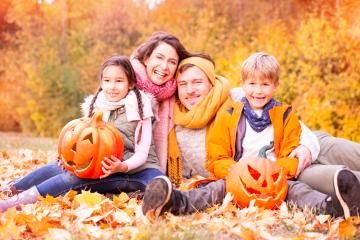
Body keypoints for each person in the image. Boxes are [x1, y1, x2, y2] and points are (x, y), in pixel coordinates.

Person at [141, 52, 360, 219]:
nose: (258, 91)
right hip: (238, 177)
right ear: (244, 84)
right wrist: (239, 172)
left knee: (299, 190)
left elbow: (294, 149)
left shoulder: (278, 113)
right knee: (215, 190)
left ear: (275, 86)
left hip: (279, 176)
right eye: (252, 84)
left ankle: (333, 207)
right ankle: (174, 201)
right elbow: (216, 158)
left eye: (265, 85)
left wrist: (276, 171)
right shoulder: (227, 116)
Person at [0, 56, 163, 212]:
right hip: (105, 168)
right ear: (101, 82)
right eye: (107, 81)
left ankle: (14, 203)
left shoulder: (141, 108)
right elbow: (86, 142)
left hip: (140, 169)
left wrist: (121, 166)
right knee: (57, 167)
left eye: (119, 81)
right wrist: (69, 160)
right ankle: (10, 189)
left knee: (72, 180)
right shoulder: (98, 104)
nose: (112, 86)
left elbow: (142, 153)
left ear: (131, 83)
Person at [130, 31, 192, 173]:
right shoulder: (123, 80)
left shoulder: (178, 92)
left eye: (172, 62)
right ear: (146, 59)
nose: (164, 66)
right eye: (159, 57)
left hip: (151, 171)